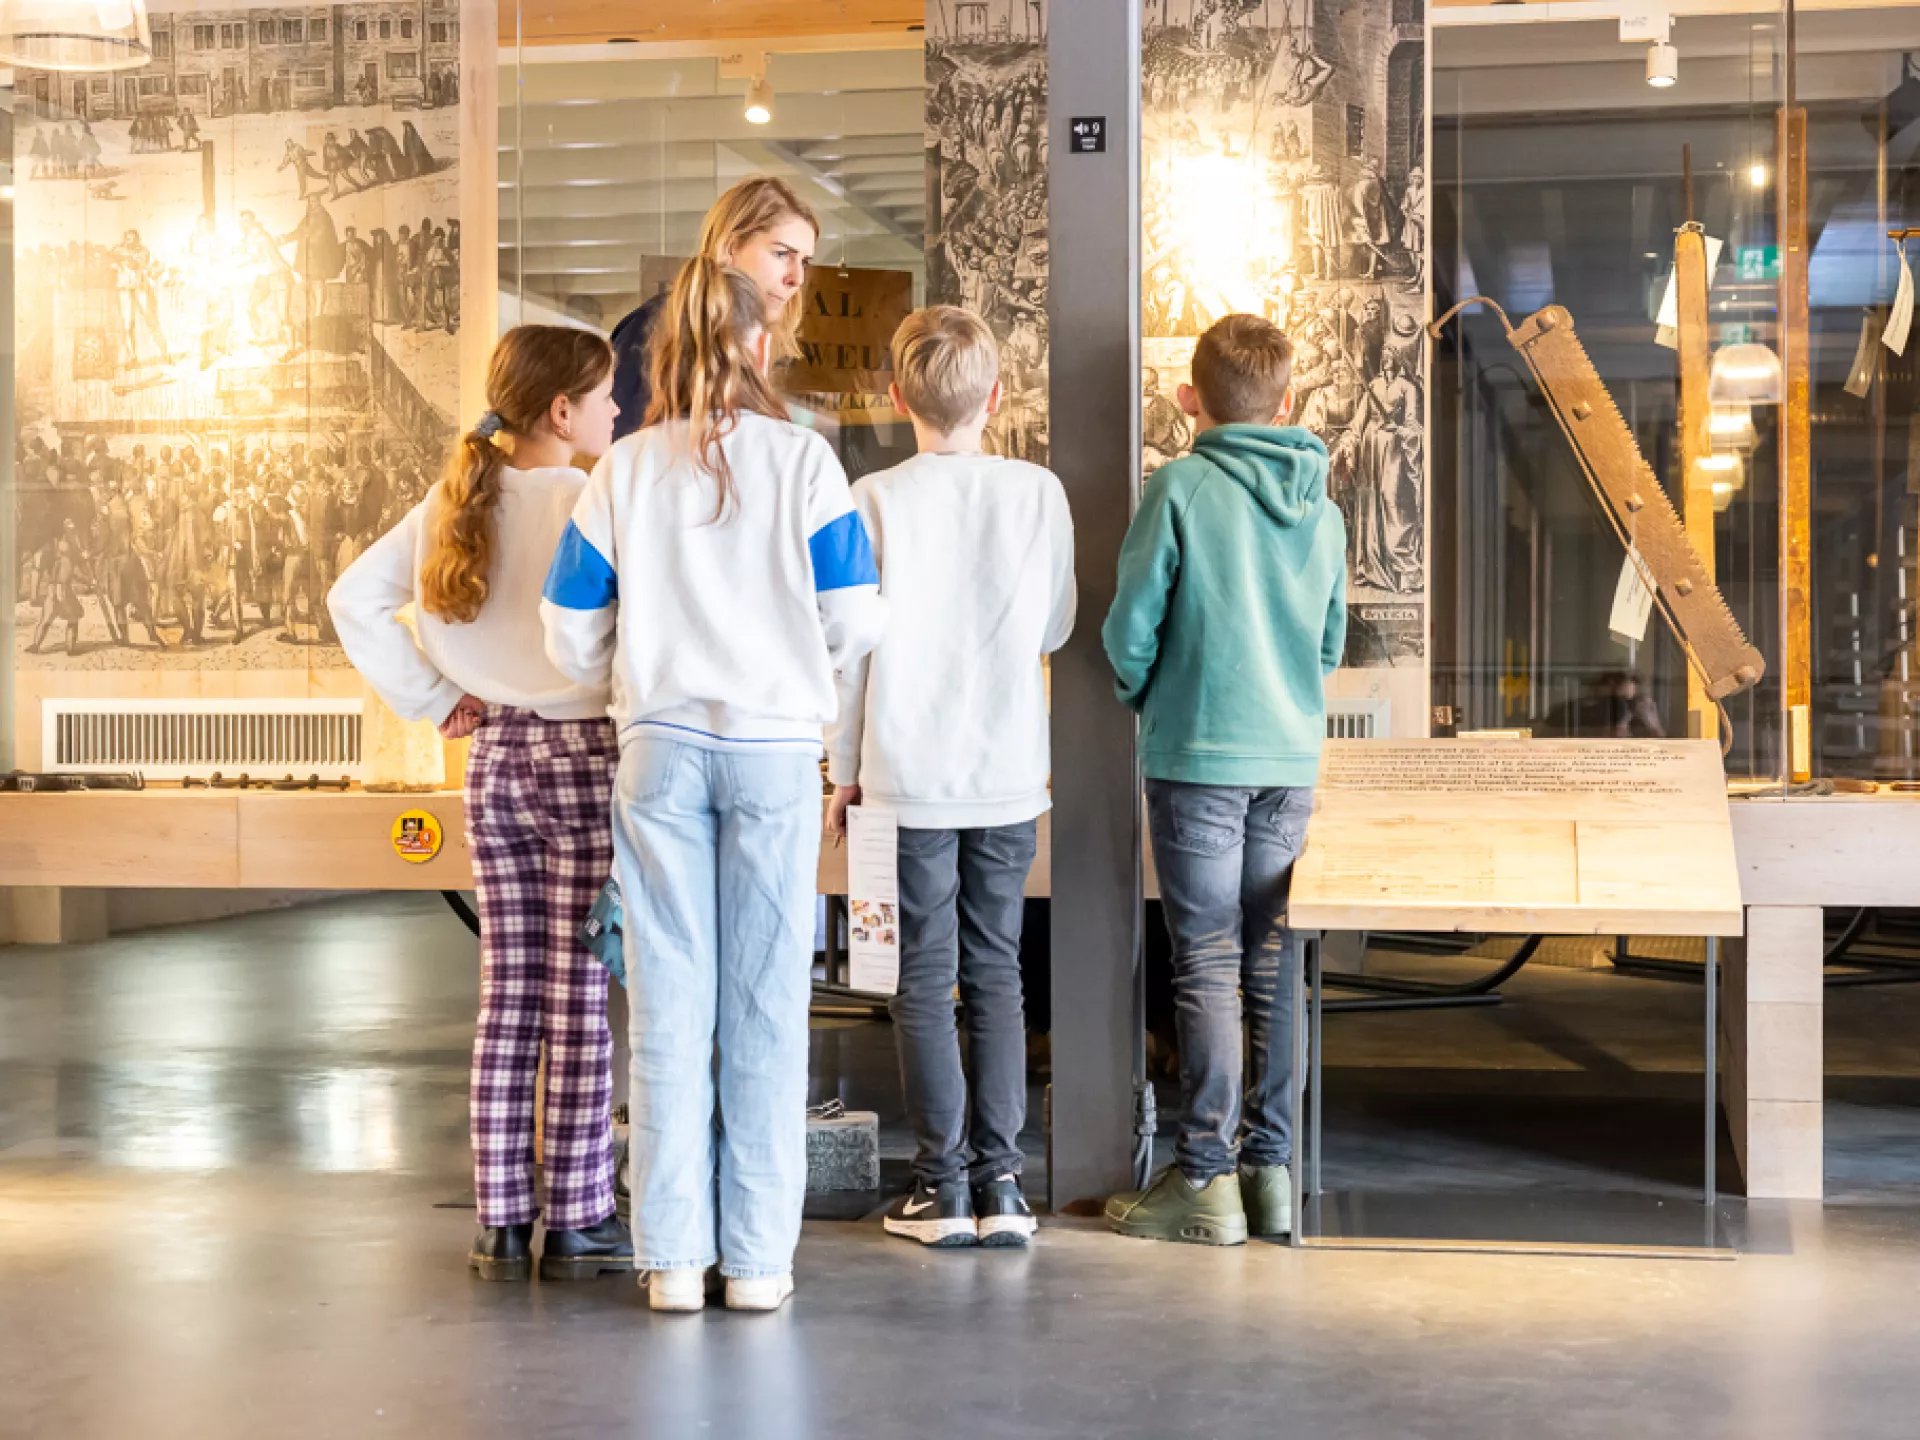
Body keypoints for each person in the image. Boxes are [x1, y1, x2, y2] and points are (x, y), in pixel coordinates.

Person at [542, 259, 884, 1312]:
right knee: (770, 1001)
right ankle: (760, 1265)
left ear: (661, 359)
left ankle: (675, 1261)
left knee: (668, 1000)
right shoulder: (808, 466)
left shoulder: (622, 471)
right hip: (778, 752)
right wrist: (802, 680)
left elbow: (566, 631)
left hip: (660, 745)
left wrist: (627, 683)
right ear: (761, 349)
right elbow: (857, 619)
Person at [326, 326, 631, 1284]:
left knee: (509, 991)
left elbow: (352, 600)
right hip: (585, 752)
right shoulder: (592, 500)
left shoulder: (452, 499)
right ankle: (578, 1216)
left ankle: (499, 1222)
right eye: (607, 395)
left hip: (492, 755)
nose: (618, 413)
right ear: (562, 411)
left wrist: (432, 698)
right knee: (580, 994)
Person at [824, 305, 1074, 1250]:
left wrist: (841, 772)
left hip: (904, 772)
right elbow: (1054, 628)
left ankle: (940, 1189)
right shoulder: (1038, 492)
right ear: (996, 397)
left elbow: (849, 655)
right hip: (1009, 772)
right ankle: (1004, 1185)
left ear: (896, 399)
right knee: (999, 973)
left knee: (922, 980)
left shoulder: (871, 497)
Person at [1101, 313, 1348, 1246]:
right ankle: (1271, 1173)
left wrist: (1144, 691)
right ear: (1288, 404)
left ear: (1188, 400)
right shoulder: (1322, 508)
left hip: (1198, 755)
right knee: (1273, 963)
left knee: (1203, 961)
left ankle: (1205, 1180)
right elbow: (1328, 645)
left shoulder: (1181, 487)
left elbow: (1130, 628)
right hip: (1288, 762)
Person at [606, 176, 818, 441]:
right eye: (781, 254)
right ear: (731, 248)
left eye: (805, 261)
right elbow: (627, 452)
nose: (796, 278)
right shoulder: (661, 324)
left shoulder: (762, 341)